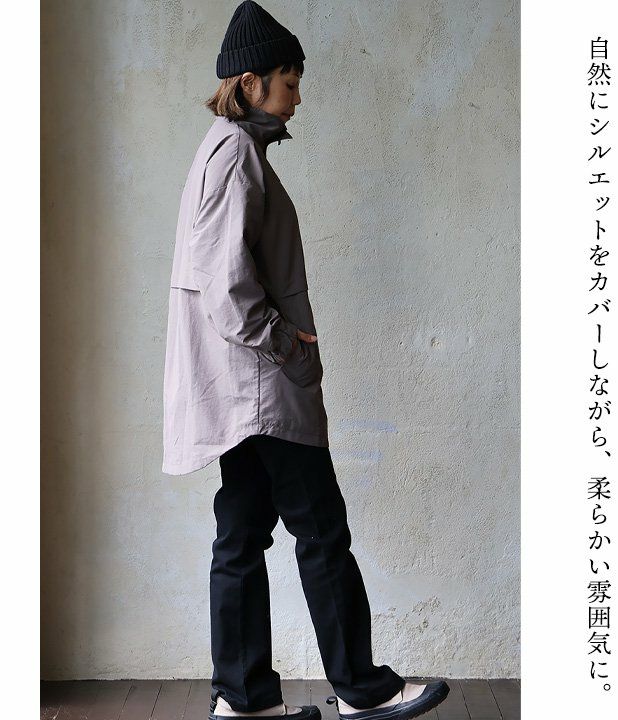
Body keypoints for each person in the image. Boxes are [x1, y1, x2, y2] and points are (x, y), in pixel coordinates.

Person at [162, 3, 450, 720]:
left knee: (241, 536)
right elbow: (226, 288)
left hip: (241, 388)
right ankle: (363, 691)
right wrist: (287, 344)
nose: (298, 97)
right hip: (259, 387)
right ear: (251, 83)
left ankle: (242, 701)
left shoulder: (227, 149)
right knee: (320, 530)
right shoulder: (234, 154)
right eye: (289, 82)